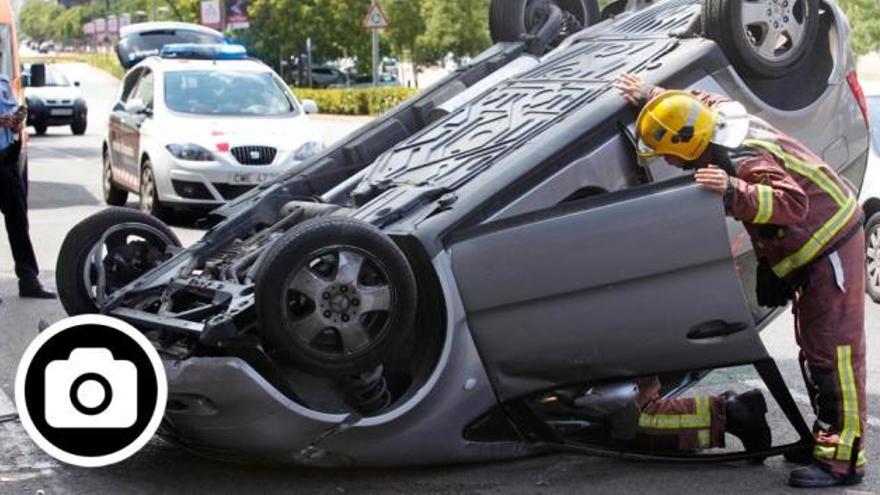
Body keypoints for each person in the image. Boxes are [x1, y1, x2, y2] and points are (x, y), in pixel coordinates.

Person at [614, 72, 867, 488]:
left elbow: (793, 204)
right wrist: (652, 97)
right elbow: (693, 103)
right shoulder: (716, 119)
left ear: (687, 145)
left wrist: (734, 191)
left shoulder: (744, 157)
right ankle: (825, 443)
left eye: (670, 155)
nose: (671, 164)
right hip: (812, 250)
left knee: (834, 357)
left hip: (830, 244)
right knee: (814, 352)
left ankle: (844, 461)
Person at [0, 71, 56, 304]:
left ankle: (29, 280)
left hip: (6, 157)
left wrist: (16, 122)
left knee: (18, 220)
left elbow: (12, 112)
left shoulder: (2, 79)